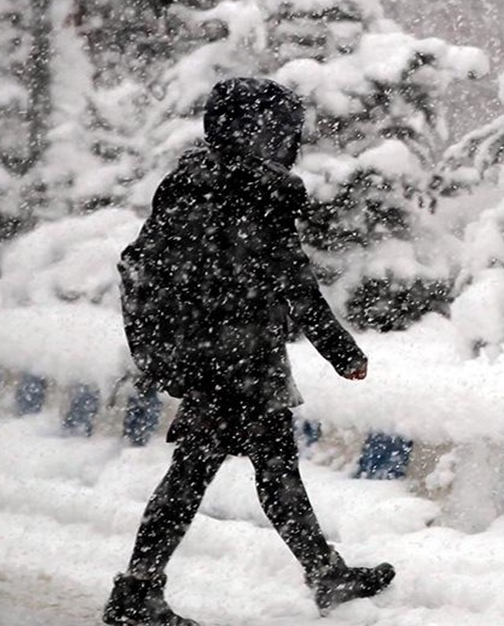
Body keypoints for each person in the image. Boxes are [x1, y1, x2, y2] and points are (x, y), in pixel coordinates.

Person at [103, 78, 395, 626]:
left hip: (205, 353)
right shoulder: (257, 191)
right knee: (215, 471)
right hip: (237, 357)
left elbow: (169, 267)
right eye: (279, 131)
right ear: (253, 132)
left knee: (250, 465)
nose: (287, 142)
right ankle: (137, 590)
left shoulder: (188, 180)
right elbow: (293, 280)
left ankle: (322, 572)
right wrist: (340, 349)